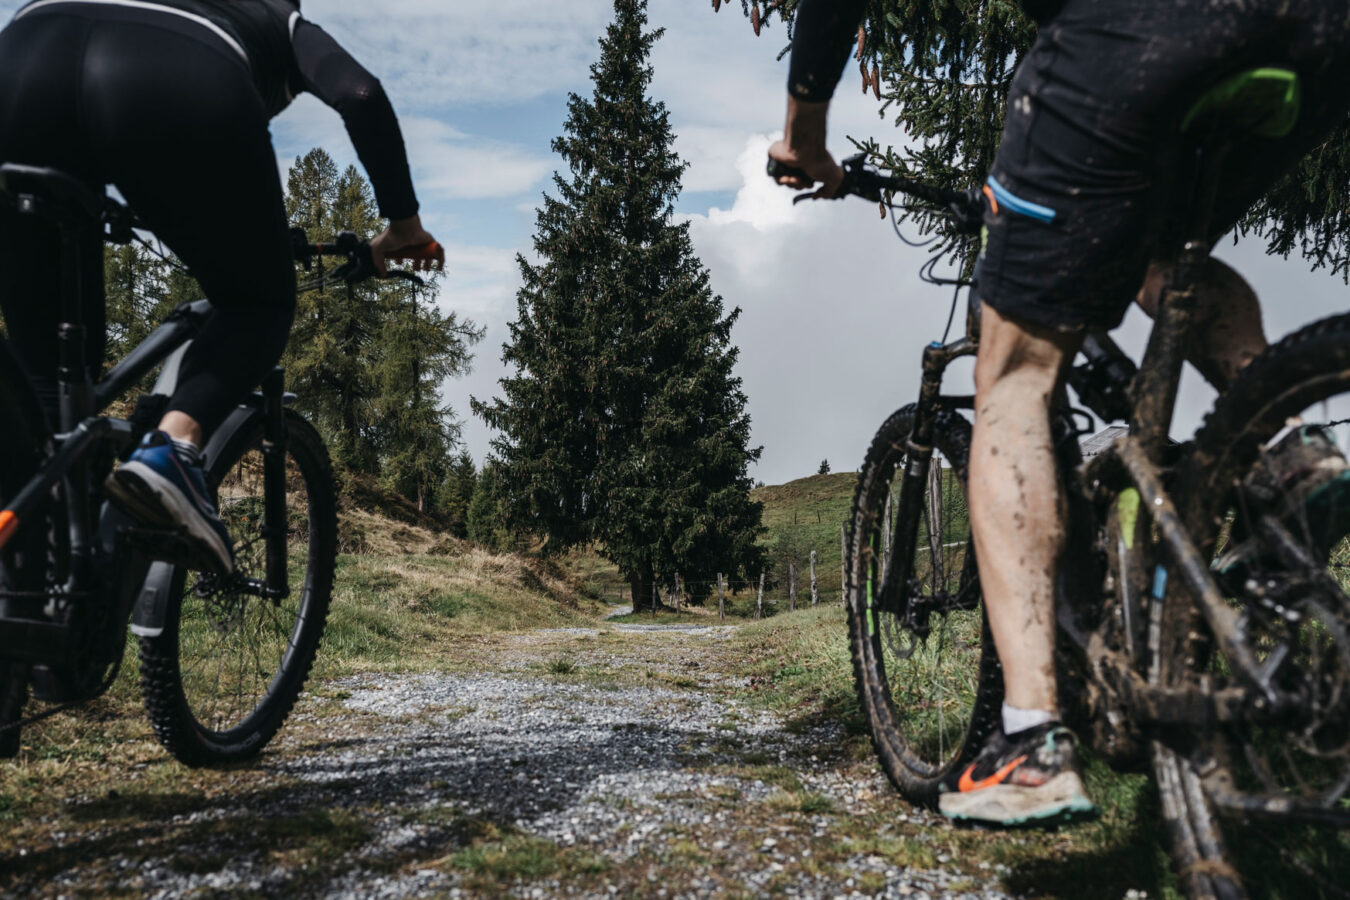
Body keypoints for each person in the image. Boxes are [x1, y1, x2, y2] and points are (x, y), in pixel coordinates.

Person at [771, 0, 1350, 825]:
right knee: (1162, 255)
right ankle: (1292, 450)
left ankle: (1031, 740)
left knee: (1015, 376)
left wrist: (804, 139)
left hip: (1137, 35)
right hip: (1318, 33)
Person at [0, 0, 445, 575]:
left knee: (51, 383)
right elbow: (360, 93)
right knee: (258, 302)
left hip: (22, 53)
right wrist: (404, 227)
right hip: (177, 74)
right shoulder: (275, 17)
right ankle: (171, 449)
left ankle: (32, 593)